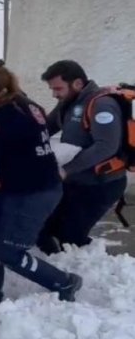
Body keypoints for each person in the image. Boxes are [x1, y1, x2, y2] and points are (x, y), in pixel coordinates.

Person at [0, 63, 82, 320]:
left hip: (35, 193)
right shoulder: (25, 103)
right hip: (16, 187)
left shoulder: (4, 115)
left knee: (8, 253)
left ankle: (64, 281)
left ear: (1, 91)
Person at [37, 60, 127, 254]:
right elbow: (44, 127)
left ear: (77, 83)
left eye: (58, 88)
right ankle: (55, 265)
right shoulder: (68, 103)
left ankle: (91, 270)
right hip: (75, 181)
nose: (54, 94)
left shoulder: (102, 104)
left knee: (71, 236)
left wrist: (66, 170)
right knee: (44, 225)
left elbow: (106, 146)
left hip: (100, 184)